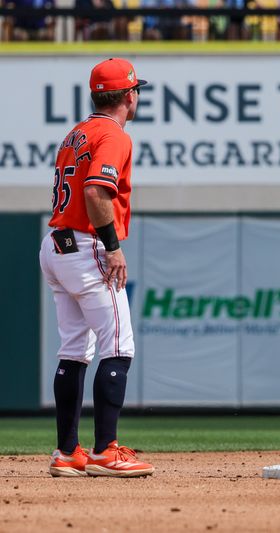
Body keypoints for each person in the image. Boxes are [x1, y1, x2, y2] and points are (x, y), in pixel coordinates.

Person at [40, 58, 154, 478]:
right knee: (119, 346)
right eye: (136, 90)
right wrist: (113, 247)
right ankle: (106, 450)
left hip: (57, 246)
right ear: (128, 95)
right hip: (87, 246)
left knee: (74, 350)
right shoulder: (114, 135)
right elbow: (94, 191)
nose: (137, 96)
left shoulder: (77, 133)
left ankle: (68, 452)